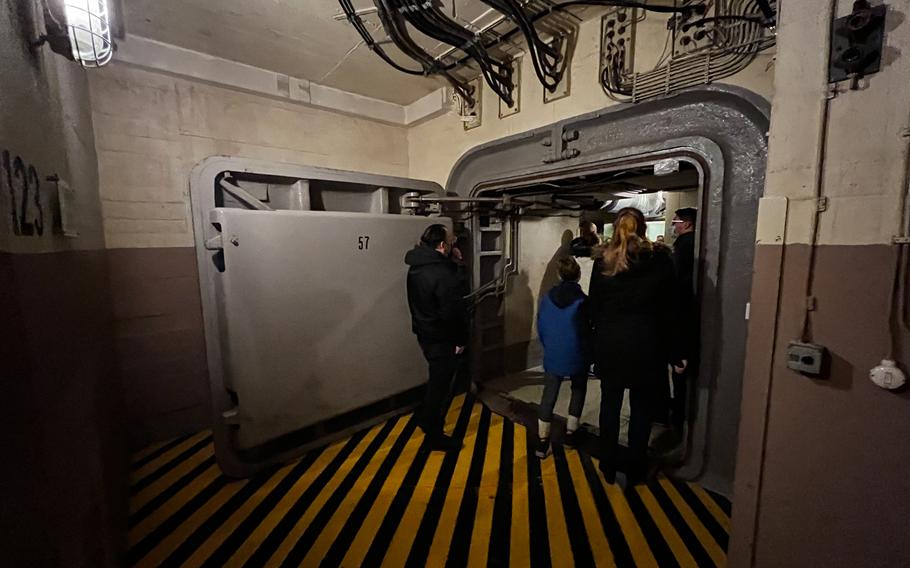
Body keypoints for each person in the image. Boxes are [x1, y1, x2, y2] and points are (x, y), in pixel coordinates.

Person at [589, 207, 683, 486]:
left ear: (616, 227)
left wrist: (595, 344)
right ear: (642, 228)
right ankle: (635, 467)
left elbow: (594, 308)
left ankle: (607, 463)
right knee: (641, 411)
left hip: (610, 345)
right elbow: (671, 311)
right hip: (646, 346)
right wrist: (676, 351)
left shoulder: (602, 262)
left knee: (610, 406)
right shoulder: (659, 259)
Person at [405, 224, 469, 451]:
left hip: (425, 334)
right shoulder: (443, 273)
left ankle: (424, 417)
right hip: (443, 339)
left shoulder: (416, 267)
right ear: (442, 245)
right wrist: (460, 341)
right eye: (451, 242)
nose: (454, 245)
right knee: (441, 388)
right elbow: (453, 311)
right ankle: (434, 435)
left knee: (435, 380)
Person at [535, 256, 591, 458]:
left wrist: (548, 347)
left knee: (549, 395)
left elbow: (541, 326)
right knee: (578, 389)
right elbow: (587, 331)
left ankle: (542, 442)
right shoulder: (583, 301)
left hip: (553, 353)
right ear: (578, 276)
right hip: (578, 355)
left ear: (559, 275)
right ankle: (571, 433)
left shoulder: (547, 298)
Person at [669, 207, 697, 434]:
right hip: (685, 319)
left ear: (686, 224)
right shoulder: (694, 245)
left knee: (679, 376)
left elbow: (678, 290)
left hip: (681, 320)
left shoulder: (684, 247)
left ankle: (678, 420)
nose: (674, 226)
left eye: (676, 222)